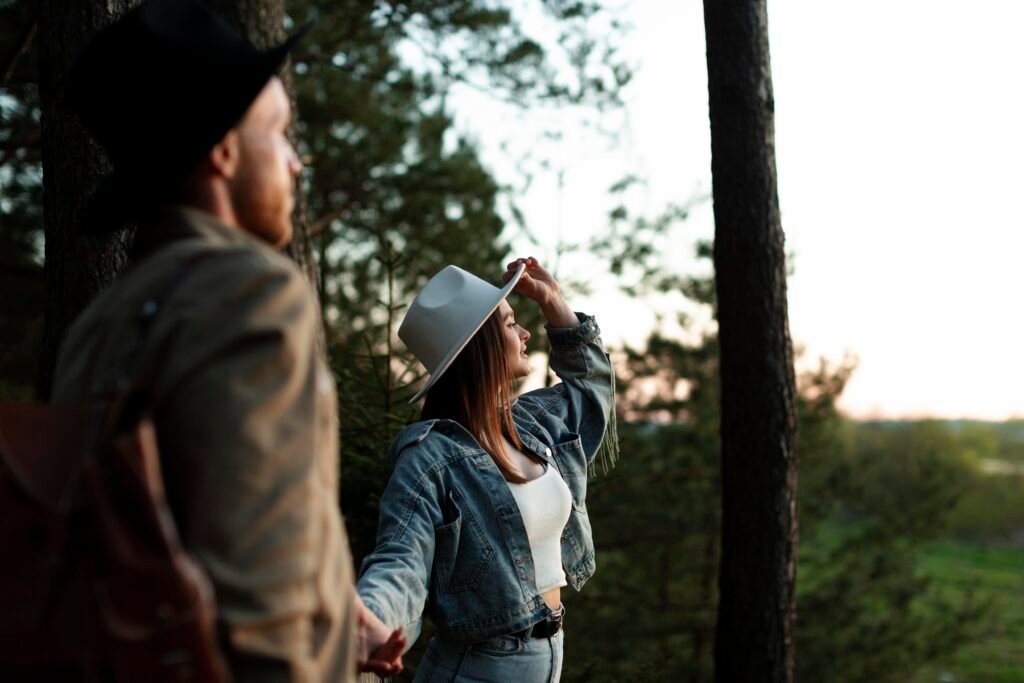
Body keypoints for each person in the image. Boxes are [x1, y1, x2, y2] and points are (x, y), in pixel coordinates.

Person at [50, 0, 403, 679]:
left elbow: (176, 537)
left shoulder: (98, 324)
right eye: (279, 132)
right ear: (223, 150)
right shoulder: (252, 291)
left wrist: (336, 616)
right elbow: (254, 611)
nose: (297, 163)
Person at [357, 256, 617, 681]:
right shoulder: (429, 458)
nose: (525, 332)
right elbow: (399, 559)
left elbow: (590, 389)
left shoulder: (531, 424)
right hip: (478, 668)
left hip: (548, 654)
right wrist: (369, 619)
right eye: (510, 322)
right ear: (479, 344)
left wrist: (552, 300)